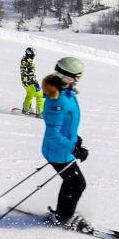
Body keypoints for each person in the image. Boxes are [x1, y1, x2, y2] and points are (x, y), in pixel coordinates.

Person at [39, 58, 88, 228]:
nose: (78, 80)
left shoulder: (67, 93)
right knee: (77, 184)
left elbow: (67, 123)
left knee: (73, 183)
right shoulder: (57, 100)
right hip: (57, 151)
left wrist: (76, 139)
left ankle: (62, 214)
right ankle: (63, 218)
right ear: (66, 76)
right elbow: (53, 134)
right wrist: (73, 148)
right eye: (77, 76)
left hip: (63, 149)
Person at [19, 46, 42, 117]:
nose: (34, 56)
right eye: (33, 55)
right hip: (30, 82)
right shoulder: (28, 61)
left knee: (30, 94)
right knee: (40, 95)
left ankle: (26, 108)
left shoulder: (24, 60)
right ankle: (40, 112)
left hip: (25, 82)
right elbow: (30, 72)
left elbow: (25, 71)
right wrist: (33, 81)